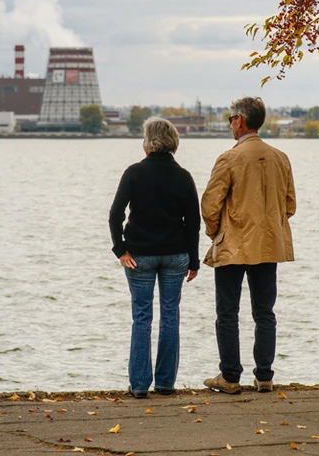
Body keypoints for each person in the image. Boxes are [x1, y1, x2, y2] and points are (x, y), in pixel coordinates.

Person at [201, 97, 295, 394]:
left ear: (240, 121)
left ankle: (230, 376)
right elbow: (289, 205)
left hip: (233, 244)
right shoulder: (280, 157)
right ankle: (264, 376)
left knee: (227, 312)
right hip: (269, 244)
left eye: (231, 118)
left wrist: (215, 231)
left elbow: (209, 205)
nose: (230, 123)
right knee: (265, 312)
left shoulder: (229, 159)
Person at [109, 117, 200, 399]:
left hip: (139, 256)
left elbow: (115, 215)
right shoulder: (183, 175)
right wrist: (194, 261)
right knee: (170, 316)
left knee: (142, 317)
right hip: (175, 256)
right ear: (173, 141)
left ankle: (138, 385)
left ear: (148, 142)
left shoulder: (134, 173)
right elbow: (193, 222)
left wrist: (120, 249)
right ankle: (165, 383)